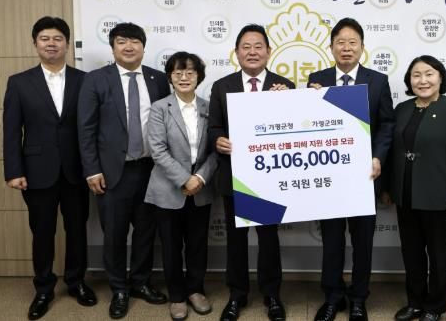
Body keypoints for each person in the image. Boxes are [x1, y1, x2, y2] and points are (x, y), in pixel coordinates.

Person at [3, 16, 97, 320]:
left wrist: (94, 167)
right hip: (36, 171)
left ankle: (76, 281)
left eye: (58, 38)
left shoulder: (85, 80)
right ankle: (43, 288)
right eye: (45, 38)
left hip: (76, 170)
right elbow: (11, 130)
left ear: (67, 44)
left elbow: (93, 128)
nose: (51, 44)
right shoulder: (19, 82)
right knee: (42, 231)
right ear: (35, 43)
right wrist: (14, 171)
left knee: (77, 230)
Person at [77, 22, 170, 319]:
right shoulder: (96, 79)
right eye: (121, 41)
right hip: (112, 173)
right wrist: (92, 170)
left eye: (134, 41)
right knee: (114, 234)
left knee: (146, 232)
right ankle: (119, 288)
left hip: (151, 170)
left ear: (143, 46)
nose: (128, 46)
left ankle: (140, 281)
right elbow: (86, 128)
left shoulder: (158, 79)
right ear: (113, 47)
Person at [308, 17, 394, 321]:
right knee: (331, 241)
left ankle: (358, 298)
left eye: (352, 42)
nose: (346, 48)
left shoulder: (377, 81)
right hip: (329, 177)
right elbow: (306, 124)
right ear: (331, 47)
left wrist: (378, 157)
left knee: (362, 242)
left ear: (362, 47)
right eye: (340, 42)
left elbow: (387, 125)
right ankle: (333, 297)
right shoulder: (317, 79)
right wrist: (310, 99)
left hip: (364, 176)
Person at [208, 24, 294, 321]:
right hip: (235, 174)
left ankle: (272, 295)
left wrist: (288, 101)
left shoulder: (284, 85)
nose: (252, 52)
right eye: (246, 46)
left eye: (258, 46)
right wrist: (218, 140)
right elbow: (214, 127)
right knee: (236, 239)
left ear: (268, 52)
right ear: (236, 52)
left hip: (270, 178)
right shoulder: (222, 86)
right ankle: (237, 294)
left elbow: (294, 129)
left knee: (269, 238)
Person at [383, 55, 446, 321]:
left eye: (429, 74)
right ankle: (415, 302)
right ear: (409, 81)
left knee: (438, 255)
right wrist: (388, 188)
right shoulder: (402, 109)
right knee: (411, 253)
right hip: (405, 195)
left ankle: (435, 307)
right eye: (416, 75)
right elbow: (391, 151)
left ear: (440, 78)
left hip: (438, 198)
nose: (422, 80)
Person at [145, 52, 218, 321]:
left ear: (199, 76)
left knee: (198, 244)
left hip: (201, 188)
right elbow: (158, 150)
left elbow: (216, 150)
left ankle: (195, 290)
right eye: (177, 73)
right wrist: (184, 179)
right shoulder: (159, 108)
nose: (184, 77)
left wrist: (199, 178)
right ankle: (177, 295)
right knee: (171, 246)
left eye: (190, 72)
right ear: (170, 77)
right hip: (168, 189)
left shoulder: (209, 107)